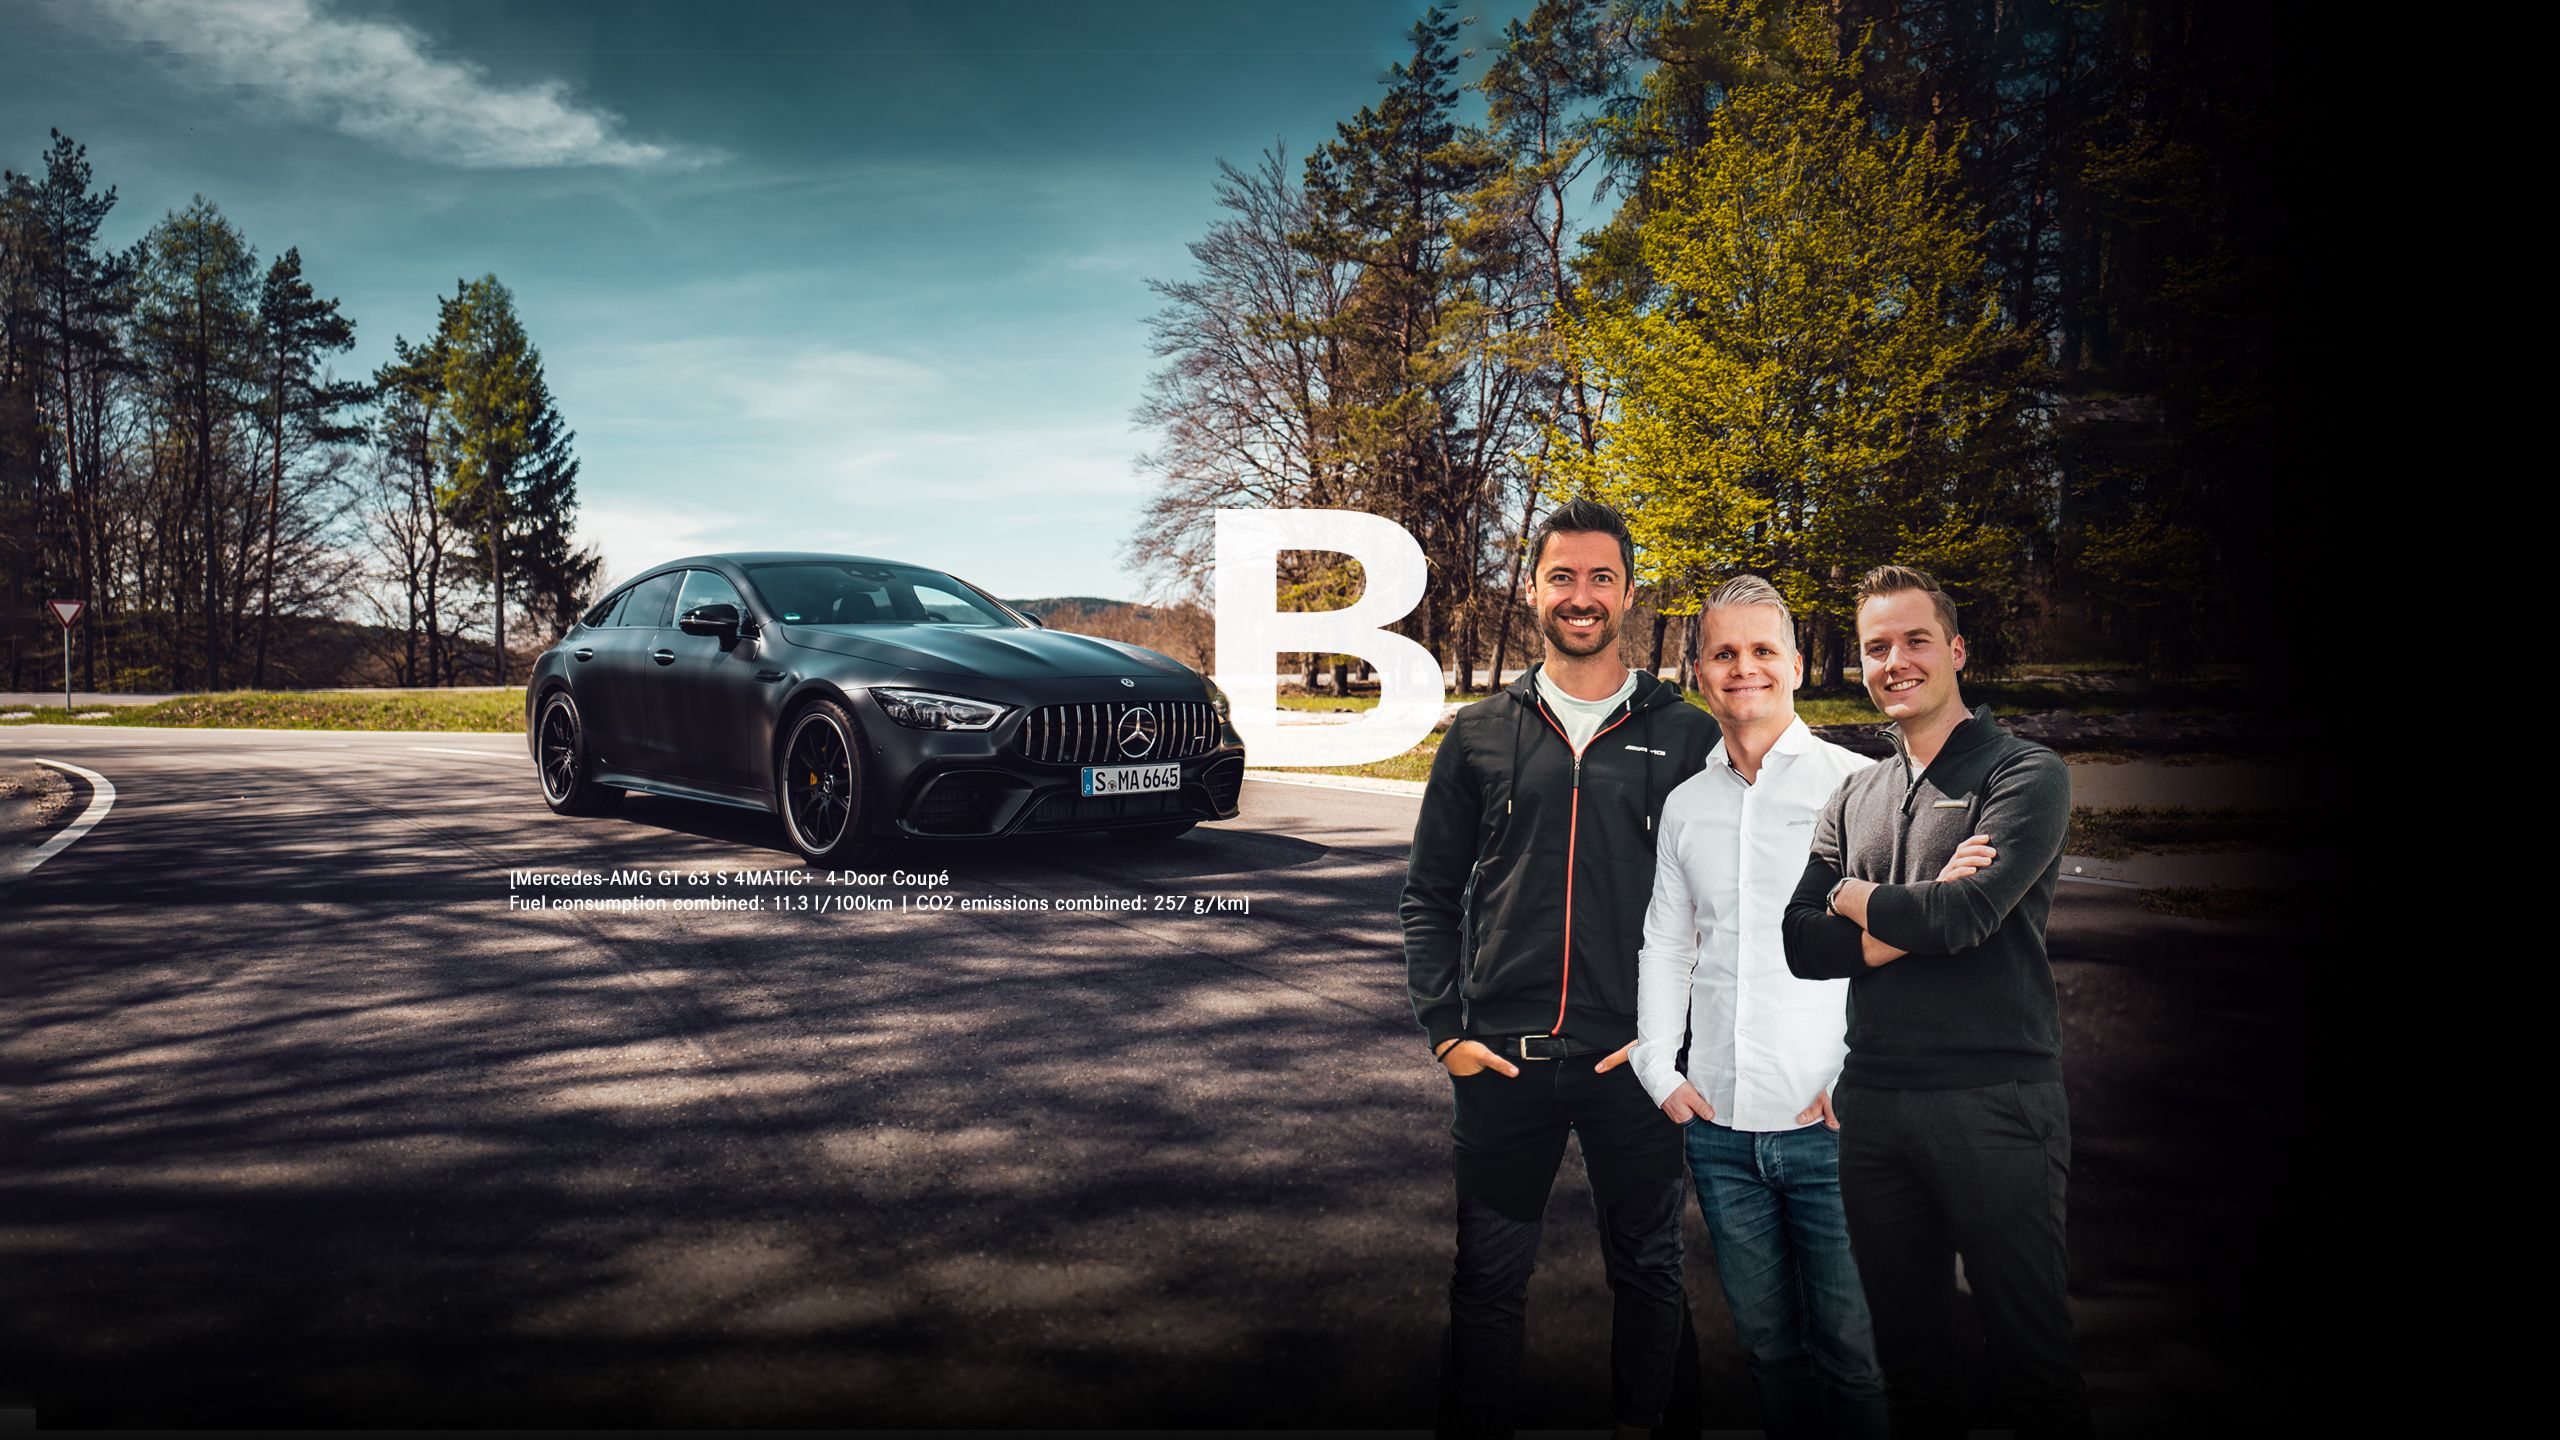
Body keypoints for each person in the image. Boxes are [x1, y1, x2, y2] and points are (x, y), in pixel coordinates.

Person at [1403, 497, 1718, 1439]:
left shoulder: (1689, 735)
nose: (1581, 597)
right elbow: (1429, 894)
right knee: (1488, 1284)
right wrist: (1447, 1031)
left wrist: (1680, 1043)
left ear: (1628, 593)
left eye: (1601, 578)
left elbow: (1725, 911)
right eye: (1562, 577)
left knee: (1650, 1271)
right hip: (1506, 1062)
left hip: (1635, 1066)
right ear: (1532, 588)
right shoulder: (1479, 733)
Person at [1780, 565, 2093, 1439]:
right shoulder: (1855, 792)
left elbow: (1966, 917)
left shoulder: (2025, 773)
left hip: (1995, 1103)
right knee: (1912, 1365)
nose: (1895, 661)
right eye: (1877, 647)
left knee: (2030, 1362)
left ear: (1955, 650)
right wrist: (1893, 910)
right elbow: (1800, 943)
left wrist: (1854, 896)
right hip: (1873, 1109)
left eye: (1916, 640)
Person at [1620, 575, 1891, 1439]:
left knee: (1853, 1357)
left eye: (1763, 651)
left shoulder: (1863, 789)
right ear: (1699, 671)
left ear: (1799, 666)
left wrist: (1864, 1082)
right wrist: (1659, 1068)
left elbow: (1911, 952)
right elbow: (1666, 942)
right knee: (1772, 1354)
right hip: (1721, 1133)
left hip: (1832, 1131)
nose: (1745, 669)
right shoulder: (1687, 804)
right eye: (1725, 653)